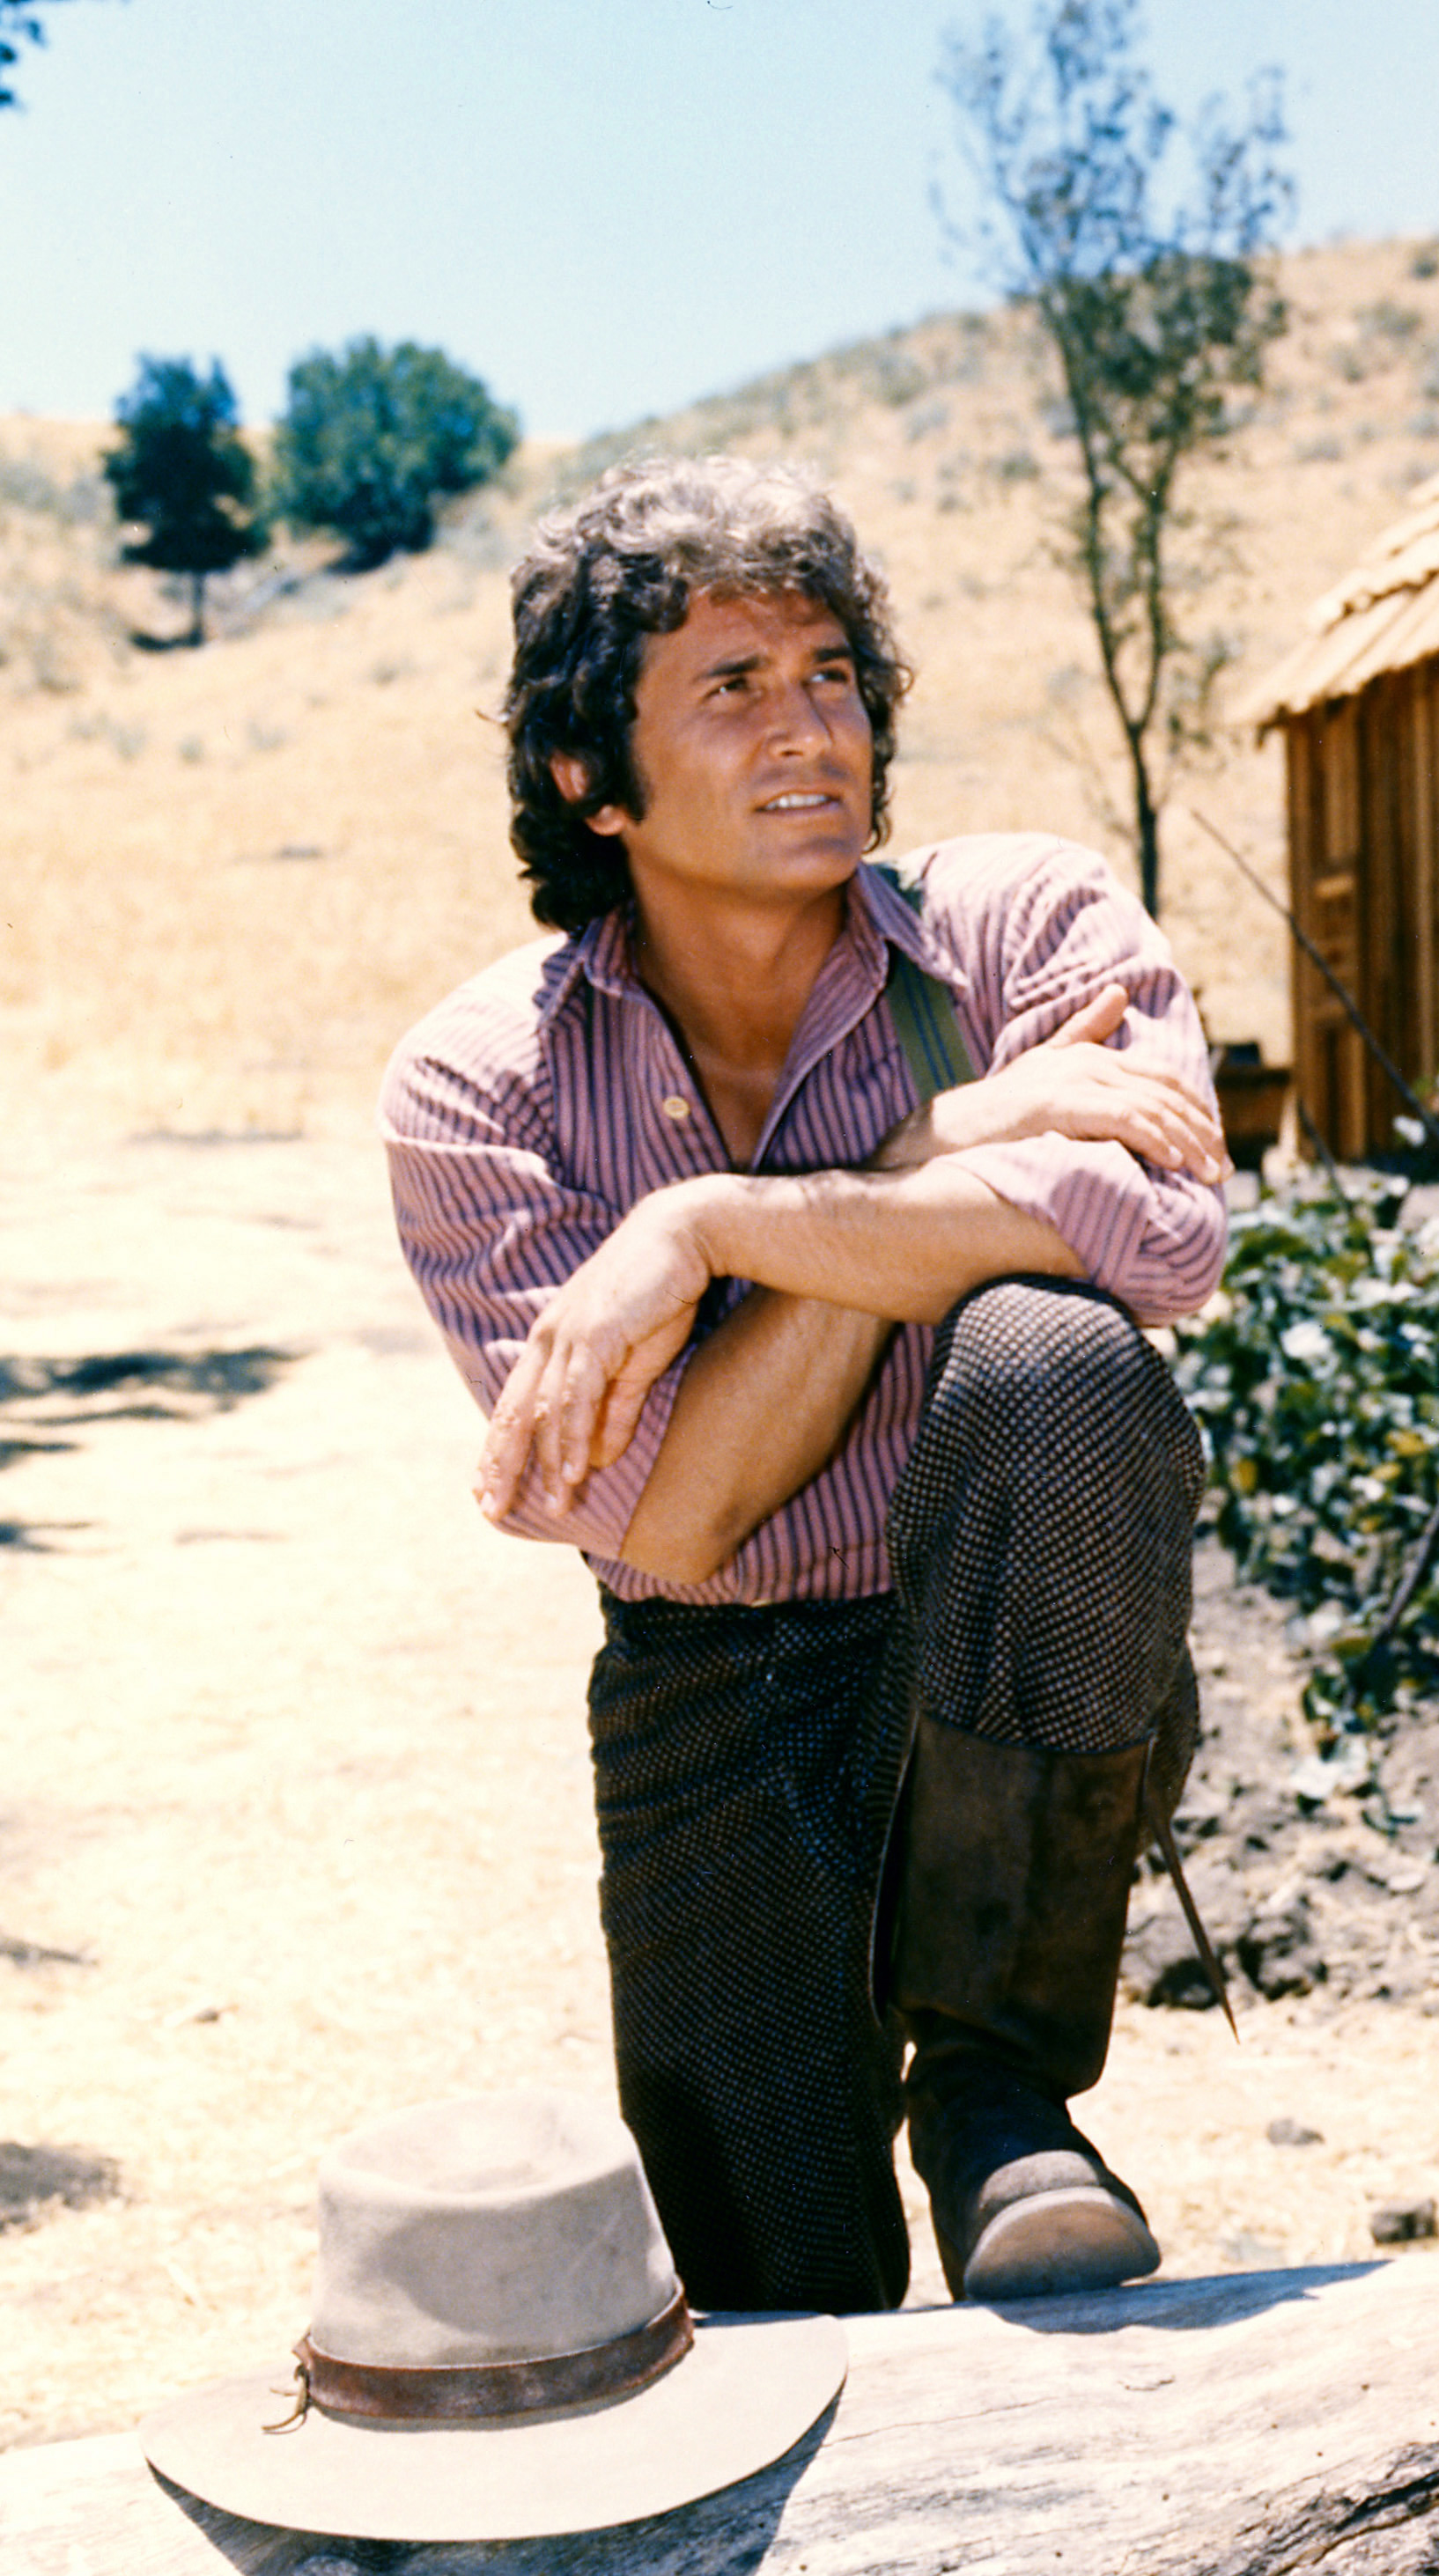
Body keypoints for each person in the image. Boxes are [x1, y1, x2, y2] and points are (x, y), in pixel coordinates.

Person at [379, 454, 1229, 2315]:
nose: (810, 728)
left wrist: (710, 1230)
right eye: (732, 686)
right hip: (716, 1696)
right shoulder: (478, 1089)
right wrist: (936, 1161)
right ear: (590, 780)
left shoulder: (1023, 933)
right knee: (779, 2321)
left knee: (1052, 1354)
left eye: (832, 673)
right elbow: (677, 1514)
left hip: (996, 1655)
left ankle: (999, 2092)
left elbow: (1154, 1248)